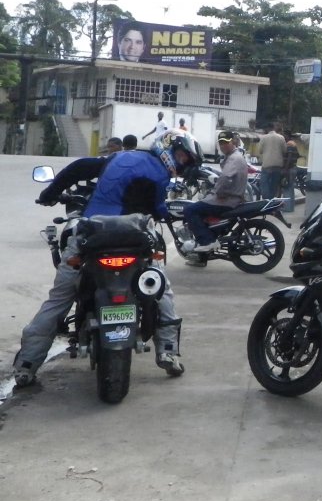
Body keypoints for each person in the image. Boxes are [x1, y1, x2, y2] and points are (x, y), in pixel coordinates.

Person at [12, 130, 201, 388]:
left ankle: (27, 364)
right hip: (135, 241)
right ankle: (167, 350)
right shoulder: (159, 177)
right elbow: (158, 209)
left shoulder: (119, 158)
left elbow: (79, 168)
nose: (180, 163)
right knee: (161, 290)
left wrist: (50, 193)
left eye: (184, 160)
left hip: (92, 235)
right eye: (181, 156)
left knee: (60, 298)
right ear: (168, 148)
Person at [181, 130, 248, 258]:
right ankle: (200, 256)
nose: (223, 146)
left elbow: (226, 178)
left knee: (190, 210)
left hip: (226, 200)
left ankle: (208, 241)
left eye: (226, 143)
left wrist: (219, 193)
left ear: (233, 142)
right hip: (232, 197)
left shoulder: (234, 158)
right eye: (221, 143)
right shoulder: (233, 156)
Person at [257, 124, 286, 200]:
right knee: (274, 185)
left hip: (267, 165)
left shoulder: (263, 138)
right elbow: (284, 151)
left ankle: (266, 200)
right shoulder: (281, 138)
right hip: (278, 166)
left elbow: (260, 151)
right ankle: (271, 200)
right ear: (274, 128)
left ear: (267, 130)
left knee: (264, 184)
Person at [281, 131, 300, 213]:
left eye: (284, 135)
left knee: (287, 188)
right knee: (291, 188)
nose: (283, 137)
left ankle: (287, 208)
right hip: (293, 167)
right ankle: (290, 208)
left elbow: (289, 157)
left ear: (287, 136)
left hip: (289, 169)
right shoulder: (294, 144)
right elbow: (298, 155)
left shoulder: (289, 144)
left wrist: (285, 169)